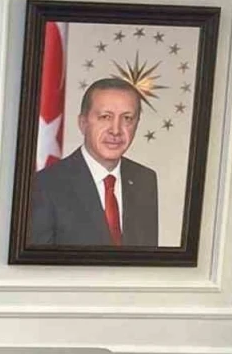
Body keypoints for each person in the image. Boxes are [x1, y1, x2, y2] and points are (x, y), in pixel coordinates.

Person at [29, 77, 159, 247]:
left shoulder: (145, 180)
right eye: (105, 117)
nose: (116, 130)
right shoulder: (45, 185)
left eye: (127, 118)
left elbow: (148, 258)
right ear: (83, 123)